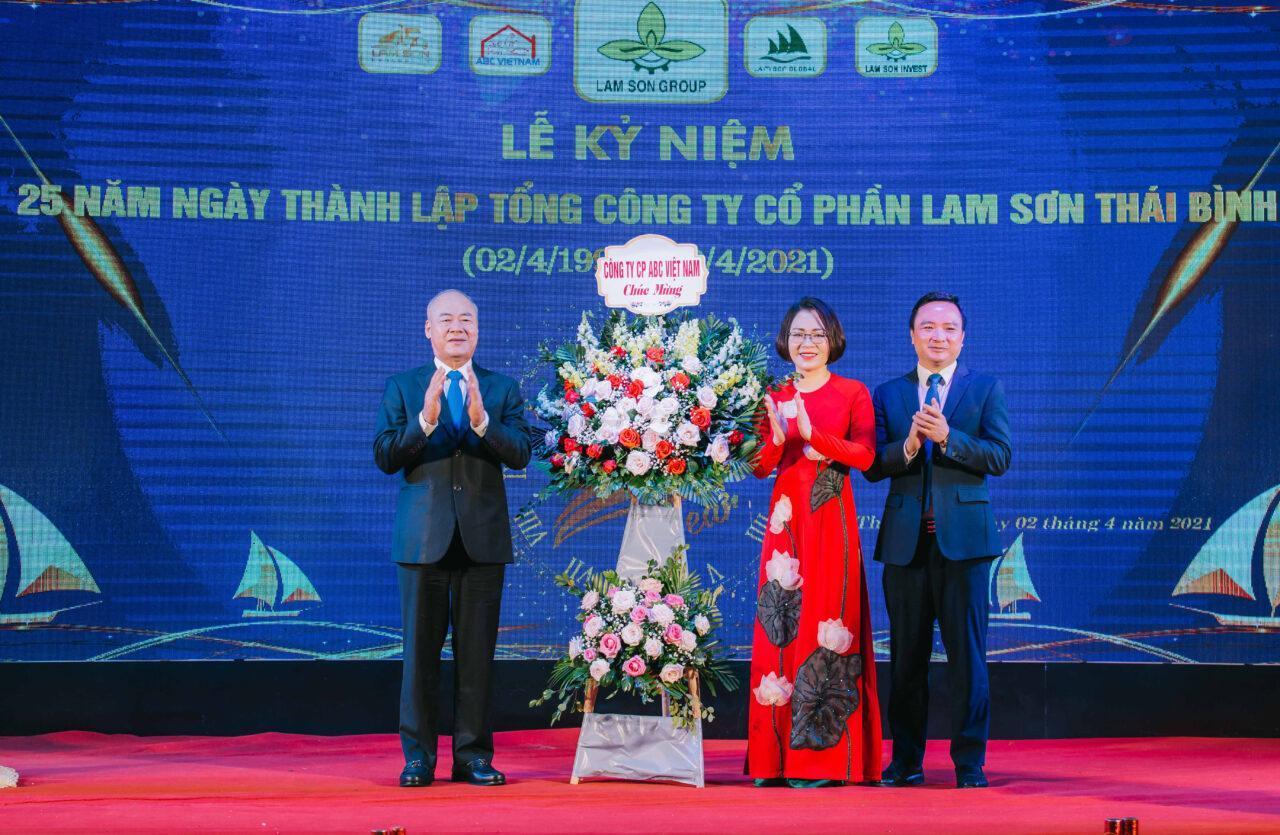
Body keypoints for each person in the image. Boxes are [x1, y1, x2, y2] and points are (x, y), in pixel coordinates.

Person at [374, 289, 531, 788]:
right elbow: (386, 456)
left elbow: (522, 453)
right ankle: (418, 758)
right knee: (419, 657)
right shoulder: (403, 387)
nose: (457, 327)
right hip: (423, 540)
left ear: (478, 330)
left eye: (466, 320)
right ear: (429, 330)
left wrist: (483, 423)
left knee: (477, 657)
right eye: (446, 320)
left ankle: (473, 757)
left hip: (483, 540)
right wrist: (424, 420)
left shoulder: (502, 388)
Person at [864, 291, 1011, 790]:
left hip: (964, 546)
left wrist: (948, 437)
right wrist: (908, 446)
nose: (938, 336)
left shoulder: (984, 389)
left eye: (949, 328)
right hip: (906, 548)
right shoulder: (889, 393)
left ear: (962, 338)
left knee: (967, 658)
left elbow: (999, 456)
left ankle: (970, 763)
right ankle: (906, 761)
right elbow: (873, 465)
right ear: (912, 335)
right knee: (906, 659)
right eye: (928, 327)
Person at [746, 297, 883, 789]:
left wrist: (813, 434)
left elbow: (865, 456)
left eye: (817, 334)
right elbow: (759, 467)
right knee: (780, 626)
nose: (808, 343)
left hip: (831, 523)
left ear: (833, 341)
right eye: (799, 334)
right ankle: (773, 761)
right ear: (785, 340)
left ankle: (821, 764)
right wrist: (777, 438)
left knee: (828, 624)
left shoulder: (852, 392)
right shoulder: (773, 394)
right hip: (786, 524)